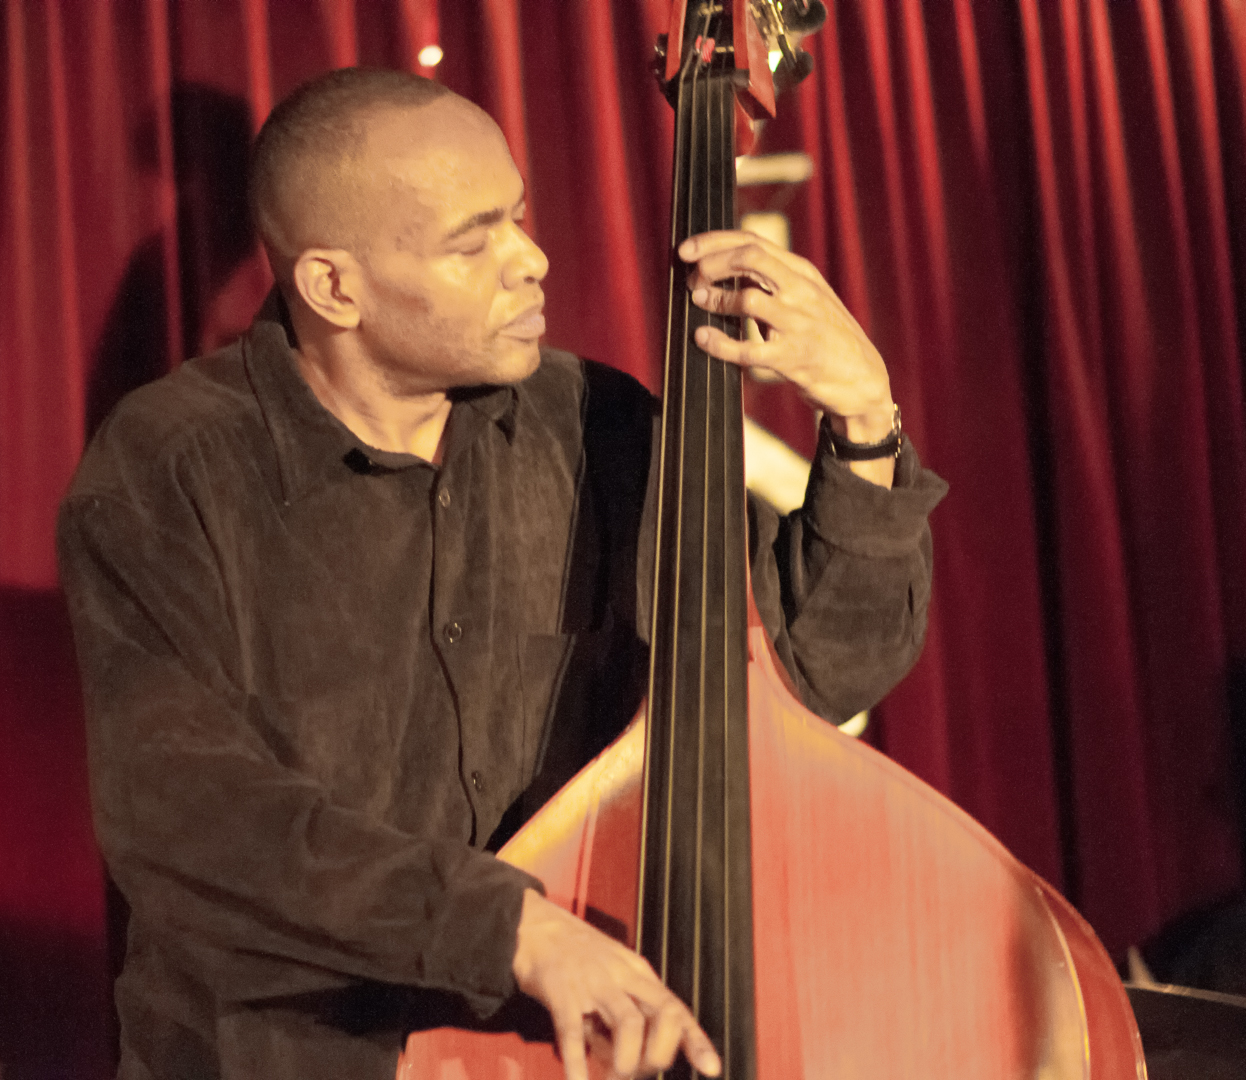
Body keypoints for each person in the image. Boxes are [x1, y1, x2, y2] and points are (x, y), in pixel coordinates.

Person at [58, 68, 947, 1080]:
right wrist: (513, 932)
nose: (531, 260)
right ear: (332, 286)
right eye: (473, 240)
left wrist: (865, 423)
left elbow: (813, 672)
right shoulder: (172, 468)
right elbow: (183, 809)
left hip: (561, 1054)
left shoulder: (599, 426)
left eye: (519, 219)